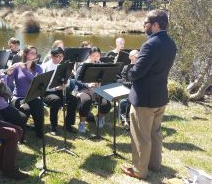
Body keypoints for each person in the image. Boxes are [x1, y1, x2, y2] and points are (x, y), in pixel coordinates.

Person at [121, 10, 176, 180]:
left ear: (155, 25)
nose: (144, 26)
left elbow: (137, 73)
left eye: (146, 23)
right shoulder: (171, 43)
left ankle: (139, 170)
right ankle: (154, 165)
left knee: (141, 136)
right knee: (155, 133)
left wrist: (130, 67)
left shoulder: (150, 44)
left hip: (144, 99)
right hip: (160, 96)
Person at [6, 46, 44, 138]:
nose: (35, 55)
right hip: (19, 97)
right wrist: (8, 74)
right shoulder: (17, 67)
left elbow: (35, 81)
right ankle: (20, 134)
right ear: (26, 54)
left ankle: (39, 132)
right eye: (32, 53)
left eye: (35, 53)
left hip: (33, 96)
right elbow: (8, 83)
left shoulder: (38, 68)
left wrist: (24, 70)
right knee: (25, 109)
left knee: (39, 107)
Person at [74, 47, 112, 134]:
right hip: (83, 89)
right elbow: (76, 80)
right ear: (89, 56)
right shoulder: (83, 65)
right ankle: (82, 123)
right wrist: (88, 84)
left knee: (107, 104)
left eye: (98, 56)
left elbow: (106, 78)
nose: (96, 58)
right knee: (86, 100)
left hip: (97, 90)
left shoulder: (101, 65)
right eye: (93, 56)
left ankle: (98, 117)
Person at [41, 47, 78, 135]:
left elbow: (67, 79)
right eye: (57, 57)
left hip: (59, 90)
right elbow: (42, 85)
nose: (59, 59)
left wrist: (66, 84)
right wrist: (55, 88)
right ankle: (53, 126)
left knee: (73, 100)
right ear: (51, 57)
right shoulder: (45, 67)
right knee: (56, 100)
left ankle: (68, 124)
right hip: (46, 92)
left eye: (61, 57)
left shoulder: (63, 65)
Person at [117, 49, 139, 130]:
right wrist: (132, 84)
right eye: (135, 55)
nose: (137, 56)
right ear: (130, 57)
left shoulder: (141, 67)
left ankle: (131, 120)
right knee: (130, 99)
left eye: (138, 54)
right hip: (128, 89)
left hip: (139, 90)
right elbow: (122, 81)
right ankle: (127, 120)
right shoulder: (126, 67)